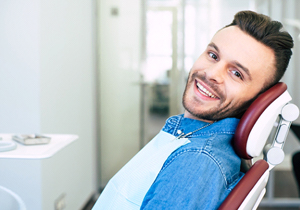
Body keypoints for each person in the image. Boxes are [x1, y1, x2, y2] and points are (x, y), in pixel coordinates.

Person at [93, 10, 294, 209]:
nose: (211, 73)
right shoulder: (191, 138)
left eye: (236, 73)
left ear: (257, 101)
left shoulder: (197, 160)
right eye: (213, 55)